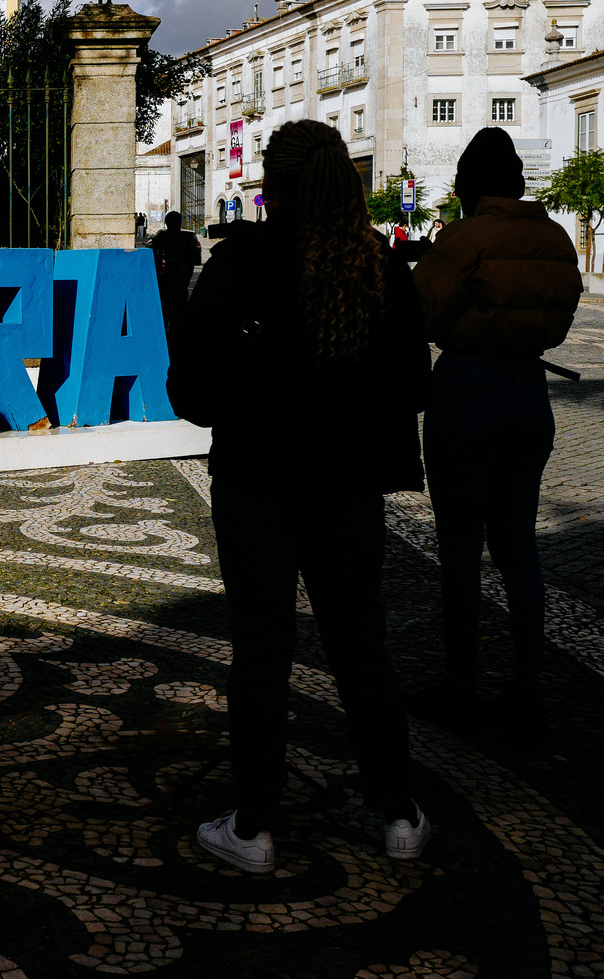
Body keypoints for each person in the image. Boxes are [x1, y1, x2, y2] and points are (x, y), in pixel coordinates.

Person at [169, 119, 434, 874]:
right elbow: (415, 385)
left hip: (258, 485)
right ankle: (400, 813)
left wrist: (250, 394)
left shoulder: (241, 264)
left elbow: (189, 391)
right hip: (349, 491)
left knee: (262, 649)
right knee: (360, 645)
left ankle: (253, 828)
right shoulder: (381, 268)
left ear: (270, 183)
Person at [410, 127, 581, 735]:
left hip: (467, 390)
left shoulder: (466, 237)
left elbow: (422, 312)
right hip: (529, 394)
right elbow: (559, 320)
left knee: (459, 545)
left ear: (469, 187)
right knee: (518, 546)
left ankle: (461, 686)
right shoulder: (557, 238)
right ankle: (526, 689)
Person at [149, 210, 202, 331]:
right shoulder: (186, 239)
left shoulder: (160, 238)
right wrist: (186, 281)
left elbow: (154, 260)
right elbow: (191, 262)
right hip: (180, 285)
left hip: (162, 284)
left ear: (166, 223)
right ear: (180, 223)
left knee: (162, 317)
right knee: (178, 319)